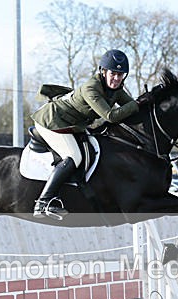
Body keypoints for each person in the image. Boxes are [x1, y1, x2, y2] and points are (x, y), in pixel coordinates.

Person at [30, 49, 144, 219]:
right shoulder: (91, 88)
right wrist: (140, 102)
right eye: (113, 73)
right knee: (74, 156)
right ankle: (43, 202)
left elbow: (133, 108)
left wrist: (146, 104)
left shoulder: (116, 89)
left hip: (72, 125)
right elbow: (111, 116)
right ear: (103, 71)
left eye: (121, 75)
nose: (117, 78)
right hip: (52, 121)